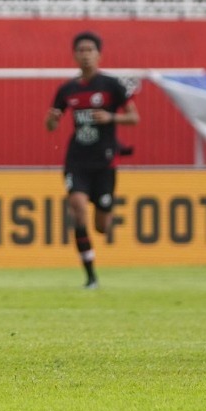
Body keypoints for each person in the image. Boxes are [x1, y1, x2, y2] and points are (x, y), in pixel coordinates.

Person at [44, 31, 139, 289]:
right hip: (77, 161)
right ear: (74, 55)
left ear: (98, 54)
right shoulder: (67, 89)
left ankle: (106, 208)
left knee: (102, 226)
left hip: (105, 162)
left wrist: (111, 118)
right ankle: (90, 276)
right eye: (81, 50)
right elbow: (51, 125)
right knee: (78, 210)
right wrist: (51, 119)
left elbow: (134, 118)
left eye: (90, 50)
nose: (85, 55)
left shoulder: (111, 85)